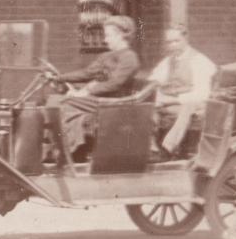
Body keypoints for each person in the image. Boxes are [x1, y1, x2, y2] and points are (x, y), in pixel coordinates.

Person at [59, 15, 143, 161]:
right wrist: (59, 77)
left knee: (64, 103)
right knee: (59, 101)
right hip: (100, 100)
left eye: (108, 35)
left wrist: (86, 92)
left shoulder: (129, 58)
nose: (105, 40)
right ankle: (75, 148)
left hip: (116, 102)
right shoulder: (106, 56)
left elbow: (115, 83)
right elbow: (87, 73)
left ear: (121, 35)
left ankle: (73, 150)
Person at [149, 24, 217, 156]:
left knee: (187, 107)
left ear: (186, 39)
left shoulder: (199, 61)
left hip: (194, 104)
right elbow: (154, 80)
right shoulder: (168, 61)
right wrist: (157, 94)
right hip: (171, 102)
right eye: (169, 42)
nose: (173, 45)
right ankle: (152, 147)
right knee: (147, 107)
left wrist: (171, 100)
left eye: (177, 41)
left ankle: (169, 147)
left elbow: (202, 94)